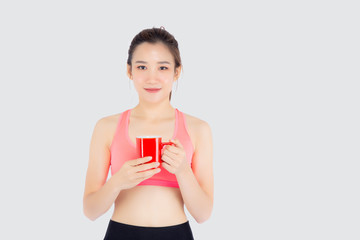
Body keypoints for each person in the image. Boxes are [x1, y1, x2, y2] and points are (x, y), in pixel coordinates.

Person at [83, 27, 214, 240]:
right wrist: (118, 181)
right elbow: (90, 211)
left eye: (162, 68)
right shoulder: (106, 127)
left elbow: (203, 214)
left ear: (177, 71)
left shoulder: (198, 129)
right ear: (129, 71)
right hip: (120, 233)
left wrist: (183, 171)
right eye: (142, 67)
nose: (152, 78)